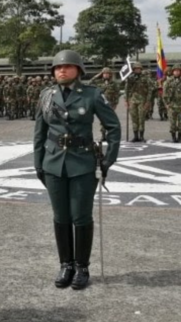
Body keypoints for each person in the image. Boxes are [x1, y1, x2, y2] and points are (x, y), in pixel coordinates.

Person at [34, 50, 121, 290]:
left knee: (80, 216)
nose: (61, 70)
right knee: (60, 217)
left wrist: (108, 160)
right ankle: (66, 265)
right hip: (53, 164)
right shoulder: (46, 95)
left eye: (68, 67)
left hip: (82, 163)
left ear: (78, 71)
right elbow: (39, 132)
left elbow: (113, 127)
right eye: (57, 67)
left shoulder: (92, 95)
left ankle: (82, 267)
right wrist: (38, 163)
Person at [125, 62, 155, 142]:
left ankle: (141, 136)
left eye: (139, 69)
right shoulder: (130, 78)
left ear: (141, 69)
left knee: (141, 118)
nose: (137, 70)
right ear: (133, 70)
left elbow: (150, 90)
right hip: (133, 100)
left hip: (142, 100)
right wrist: (126, 100)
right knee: (134, 118)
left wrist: (148, 101)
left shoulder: (145, 78)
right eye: (136, 69)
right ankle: (135, 136)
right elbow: (126, 90)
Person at [163, 65, 181, 143]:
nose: (176, 72)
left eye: (178, 71)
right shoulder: (168, 81)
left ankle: (179, 138)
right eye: (175, 71)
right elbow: (164, 94)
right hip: (171, 105)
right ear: (172, 72)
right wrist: (166, 103)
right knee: (172, 123)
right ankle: (173, 138)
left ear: (180, 72)